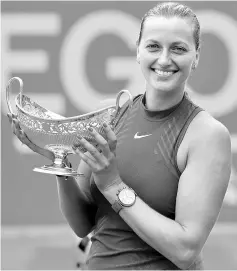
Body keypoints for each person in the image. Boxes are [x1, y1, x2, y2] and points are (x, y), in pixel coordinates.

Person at [7, 2, 232, 270]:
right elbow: (83, 225)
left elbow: (185, 251)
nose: (164, 59)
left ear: (196, 57)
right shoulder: (110, 116)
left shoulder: (207, 135)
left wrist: (113, 185)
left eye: (178, 48)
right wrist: (61, 162)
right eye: (153, 46)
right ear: (137, 51)